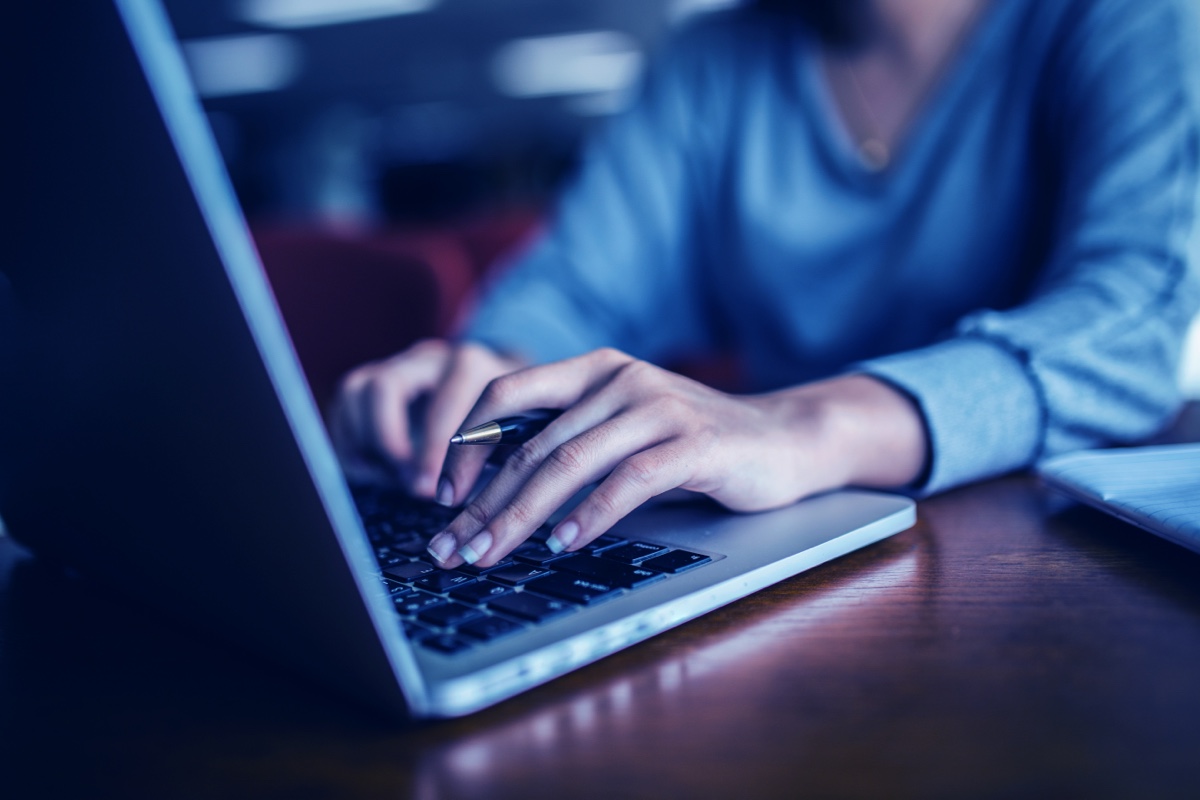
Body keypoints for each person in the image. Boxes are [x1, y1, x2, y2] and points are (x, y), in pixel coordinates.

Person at [331, 0, 1200, 570]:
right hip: (789, 556)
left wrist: (801, 423)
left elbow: (1129, 329)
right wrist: (487, 377)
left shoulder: (1121, 19)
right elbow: (576, 287)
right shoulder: (713, 61)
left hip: (1037, 561)